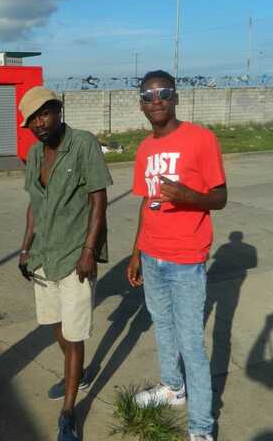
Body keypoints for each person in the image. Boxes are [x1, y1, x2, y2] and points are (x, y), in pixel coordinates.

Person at [127, 70, 227, 441]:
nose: (156, 100)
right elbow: (145, 203)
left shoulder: (201, 139)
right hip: (152, 256)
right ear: (141, 104)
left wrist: (189, 197)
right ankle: (173, 388)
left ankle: (201, 427)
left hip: (186, 259)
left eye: (164, 92)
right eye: (148, 95)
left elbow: (220, 197)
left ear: (176, 97)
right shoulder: (144, 149)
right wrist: (136, 253)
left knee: (190, 343)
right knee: (163, 326)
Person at [18, 86, 112, 441]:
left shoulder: (83, 143)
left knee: (74, 335)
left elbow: (98, 199)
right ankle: (79, 373)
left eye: (45, 113)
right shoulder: (34, 153)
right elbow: (34, 204)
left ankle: (69, 413)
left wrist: (89, 251)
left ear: (59, 110)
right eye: (32, 119)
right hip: (44, 256)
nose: (39, 123)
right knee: (56, 324)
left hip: (75, 256)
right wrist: (25, 249)